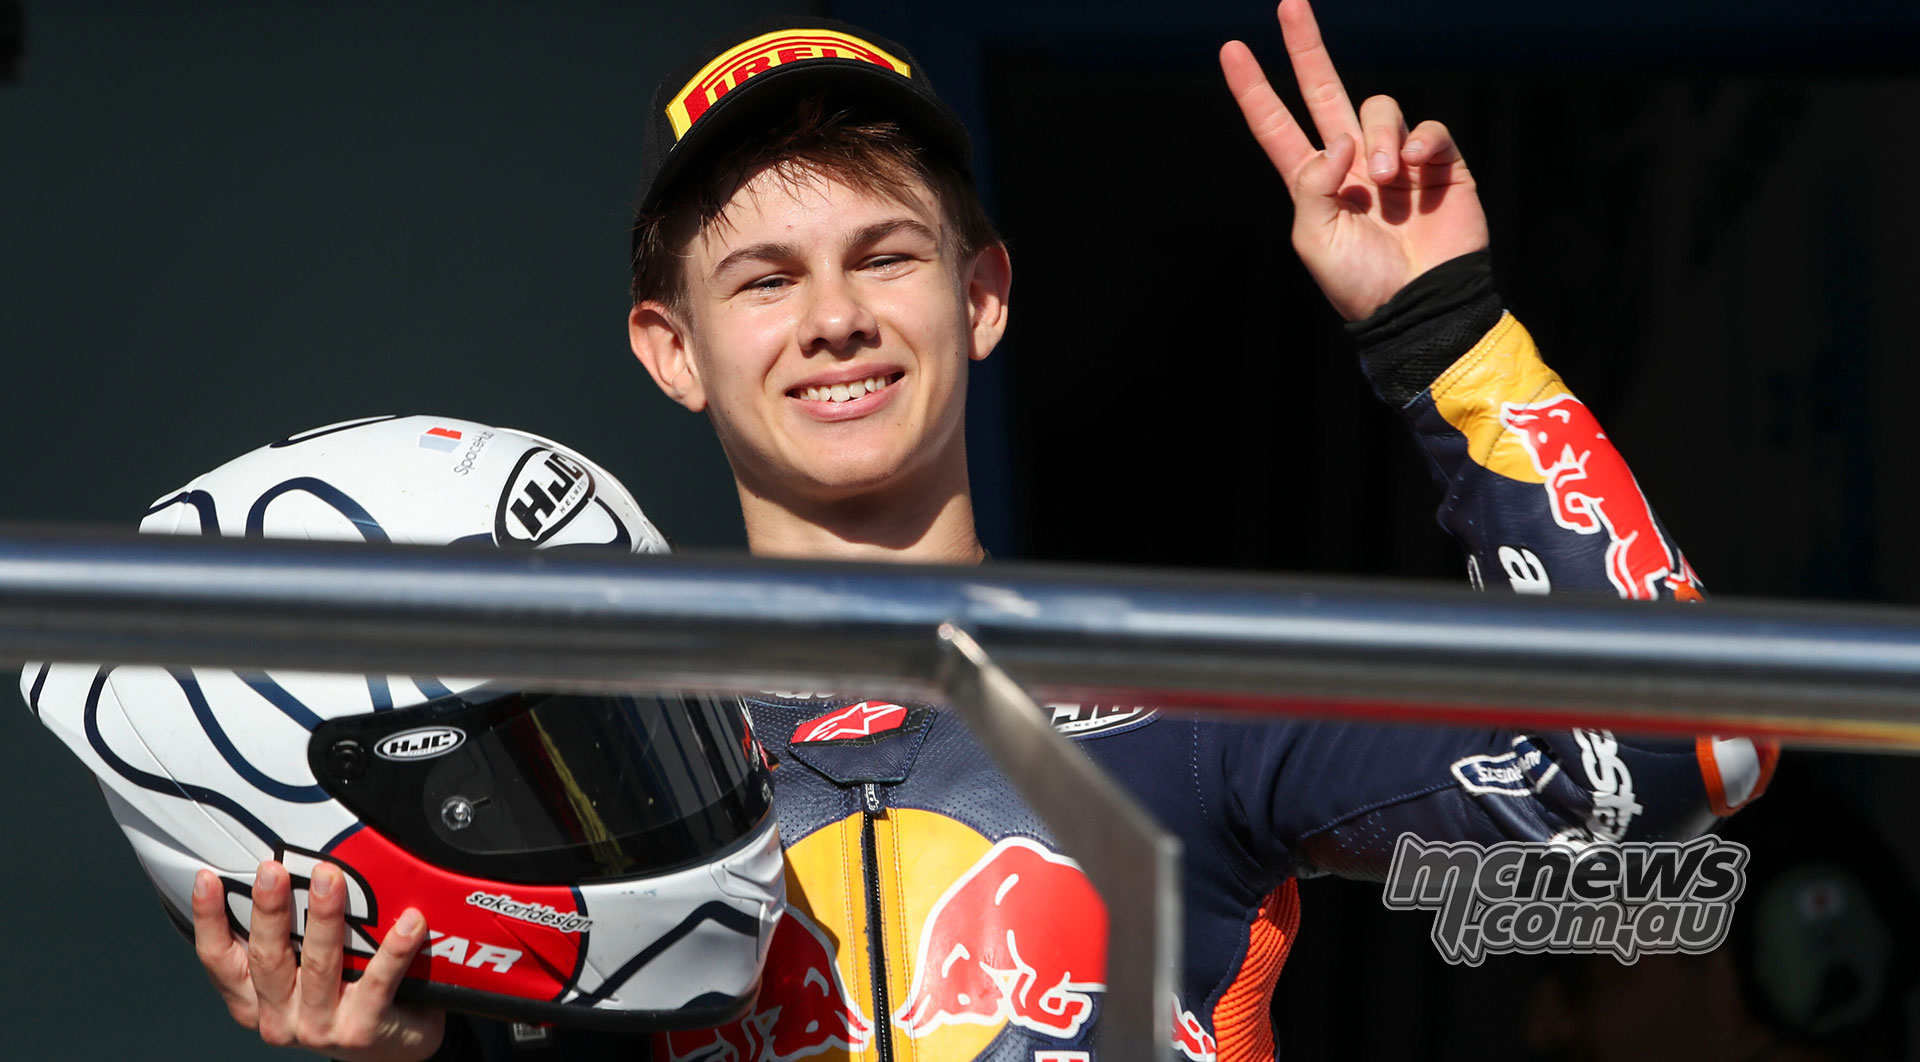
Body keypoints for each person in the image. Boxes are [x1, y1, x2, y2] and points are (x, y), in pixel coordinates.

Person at [191, 2, 1777, 1059]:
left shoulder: (1184, 685)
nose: (833, 319)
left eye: (885, 257)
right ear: (671, 349)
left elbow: (1686, 746)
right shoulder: (573, 761)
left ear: (984, 296)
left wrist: (1444, 332)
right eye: (764, 279)